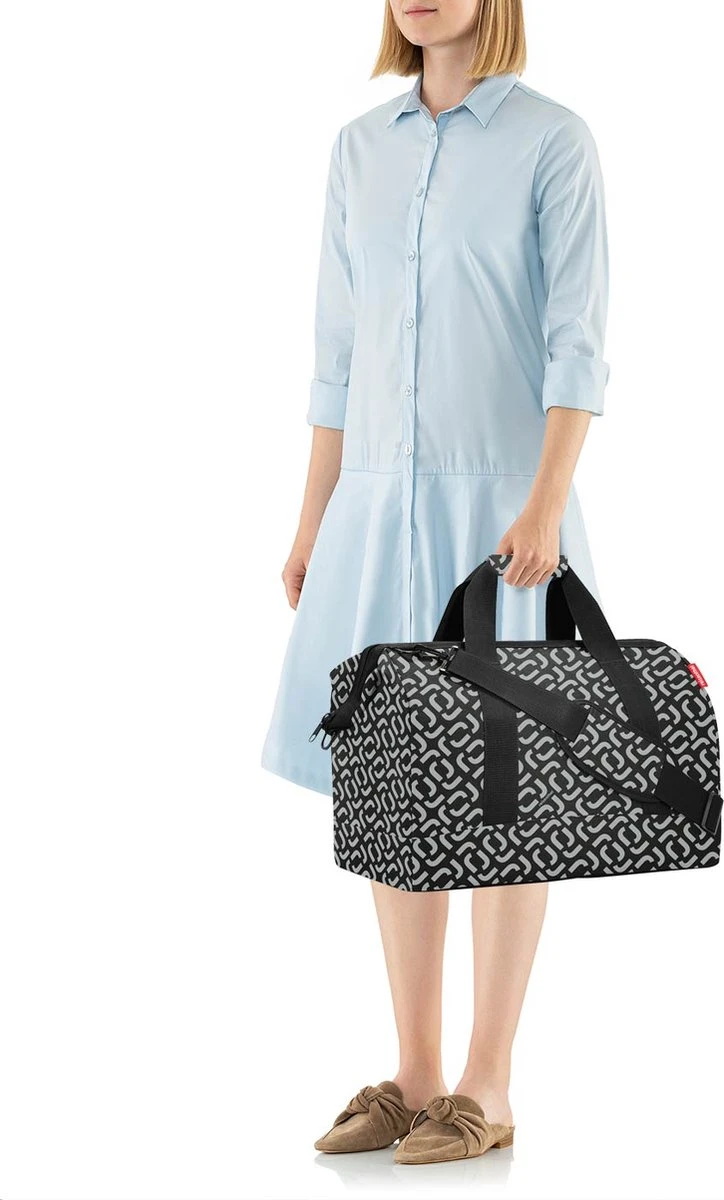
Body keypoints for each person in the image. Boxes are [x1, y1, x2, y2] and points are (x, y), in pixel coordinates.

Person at [261, 0, 610, 1166]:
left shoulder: (552, 141)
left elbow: (575, 345)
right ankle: (414, 1076)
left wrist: (545, 504)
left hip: (502, 518)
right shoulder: (358, 149)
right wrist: (314, 519)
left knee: (508, 796)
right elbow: (337, 354)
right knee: (392, 790)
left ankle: (487, 1083)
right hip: (374, 512)